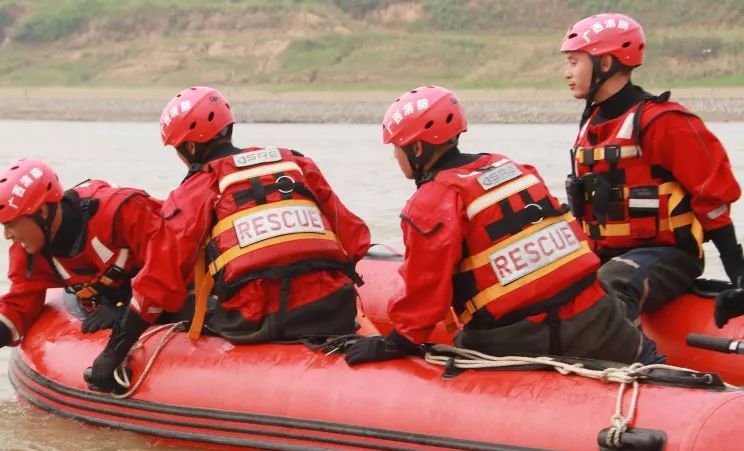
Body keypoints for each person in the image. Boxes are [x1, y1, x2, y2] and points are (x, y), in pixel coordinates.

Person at [343, 85, 660, 367]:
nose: (395, 156)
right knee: (652, 363)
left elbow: (425, 290)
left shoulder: (431, 201)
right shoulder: (509, 167)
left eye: (396, 146)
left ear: (417, 148)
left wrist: (395, 342)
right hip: (597, 316)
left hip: (517, 335)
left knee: (458, 371)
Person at [86, 85, 372, 392]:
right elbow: (356, 239)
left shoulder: (197, 188)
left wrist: (112, 354)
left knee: (180, 304)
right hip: (335, 310)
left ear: (191, 149)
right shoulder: (297, 163)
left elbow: (158, 283)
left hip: (259, 320)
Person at [560, 12, 743, 326]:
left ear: (605, 64)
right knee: (552, 283)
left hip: (668, 255)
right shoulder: (591, 124)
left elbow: (712, 200)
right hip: (606, 251)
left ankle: (640, 360)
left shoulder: (664, 122)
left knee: (612, 282)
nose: (567, 73)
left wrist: (738, 275)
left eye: (575, 62)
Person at [0, 158, 162, 366]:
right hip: (113, 300)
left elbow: (171, 266)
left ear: (42, 212)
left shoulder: (123, 212)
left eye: (10, 224)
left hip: (164, 299)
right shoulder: (29, 251)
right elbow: (20, 304)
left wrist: (127, 311)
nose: (7, 235)